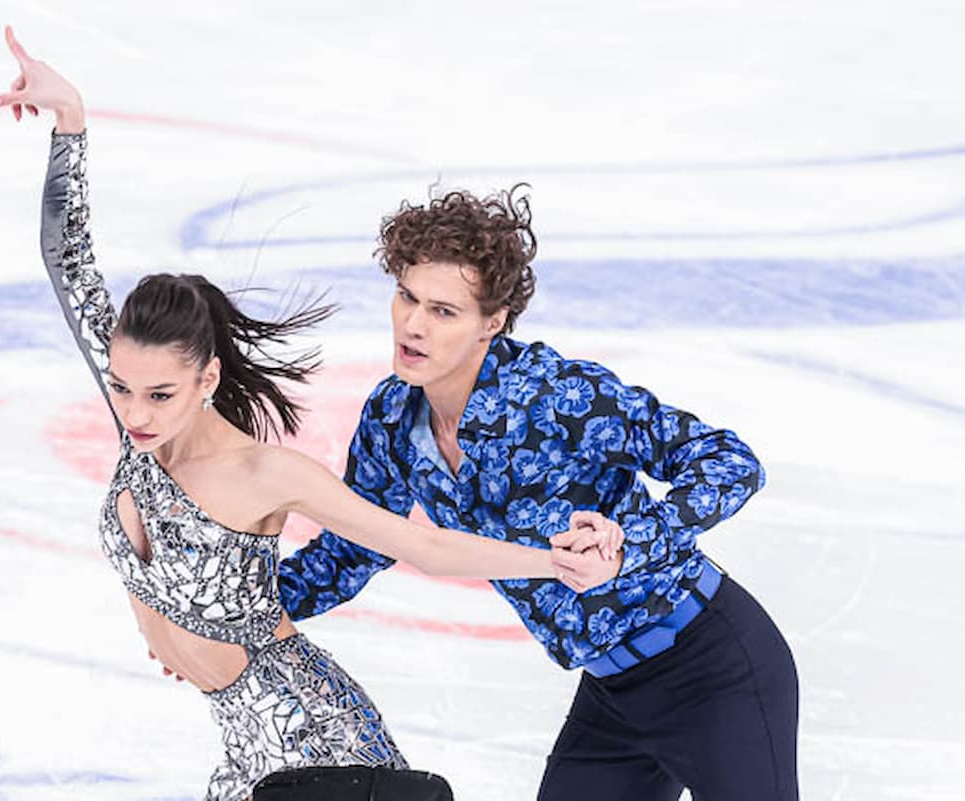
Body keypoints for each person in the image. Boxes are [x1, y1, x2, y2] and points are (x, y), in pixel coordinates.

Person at [0, 27, 619, 801]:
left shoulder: (264, 473)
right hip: (244, 750)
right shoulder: (138, 426)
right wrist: (71, 122)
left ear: (207, 378)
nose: (136, 412)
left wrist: (553, 561)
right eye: (121, 388)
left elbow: (419, 544)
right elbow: (68, 260)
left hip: (317, 747)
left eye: (159, 394)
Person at [277, 184, 801, 799]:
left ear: (492, 323)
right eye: (407, 297)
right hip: (613, 697)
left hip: (713, 671)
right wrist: (235, 616)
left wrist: (630, 541)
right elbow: (354, 548)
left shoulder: (557, 397)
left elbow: (729, 461)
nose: (413, 325)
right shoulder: (392, 419)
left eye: (444, 311)